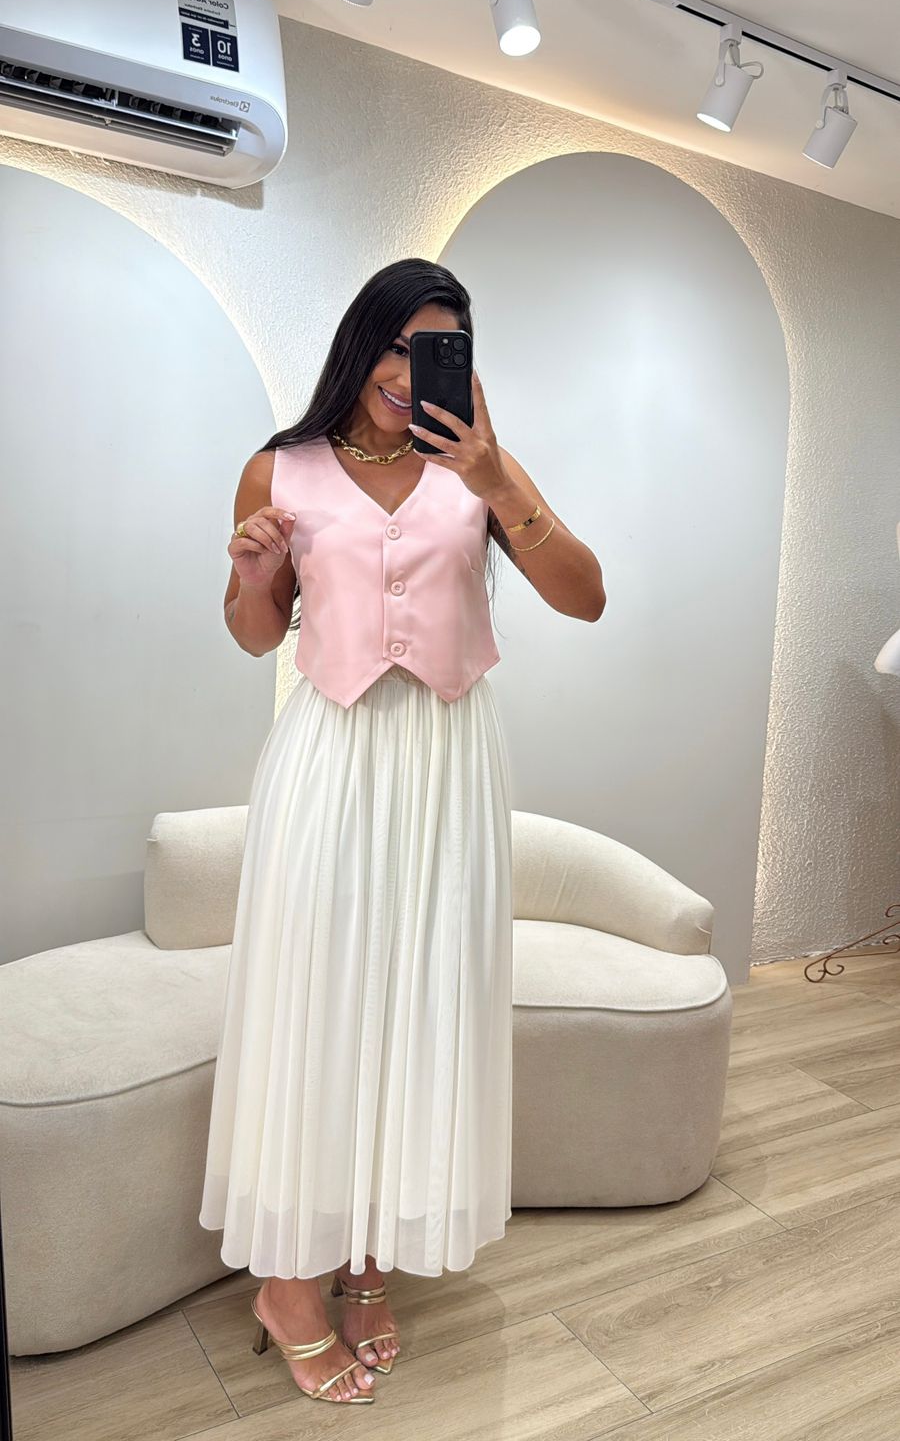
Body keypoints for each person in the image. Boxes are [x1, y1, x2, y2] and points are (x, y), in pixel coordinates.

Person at [197, 258, 606, 1406]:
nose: (404, 370)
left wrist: (495, 478)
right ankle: (288, 1285)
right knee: (318, 1003)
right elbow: (255, 633)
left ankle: (368, 1256)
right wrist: (256, 574)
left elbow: (585, 595)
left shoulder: (478, 467)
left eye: (432, 350)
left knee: (421, 1002)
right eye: (393, 343)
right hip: (331, 759)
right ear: (359, 345)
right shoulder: (278, 467)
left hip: (448, 765)